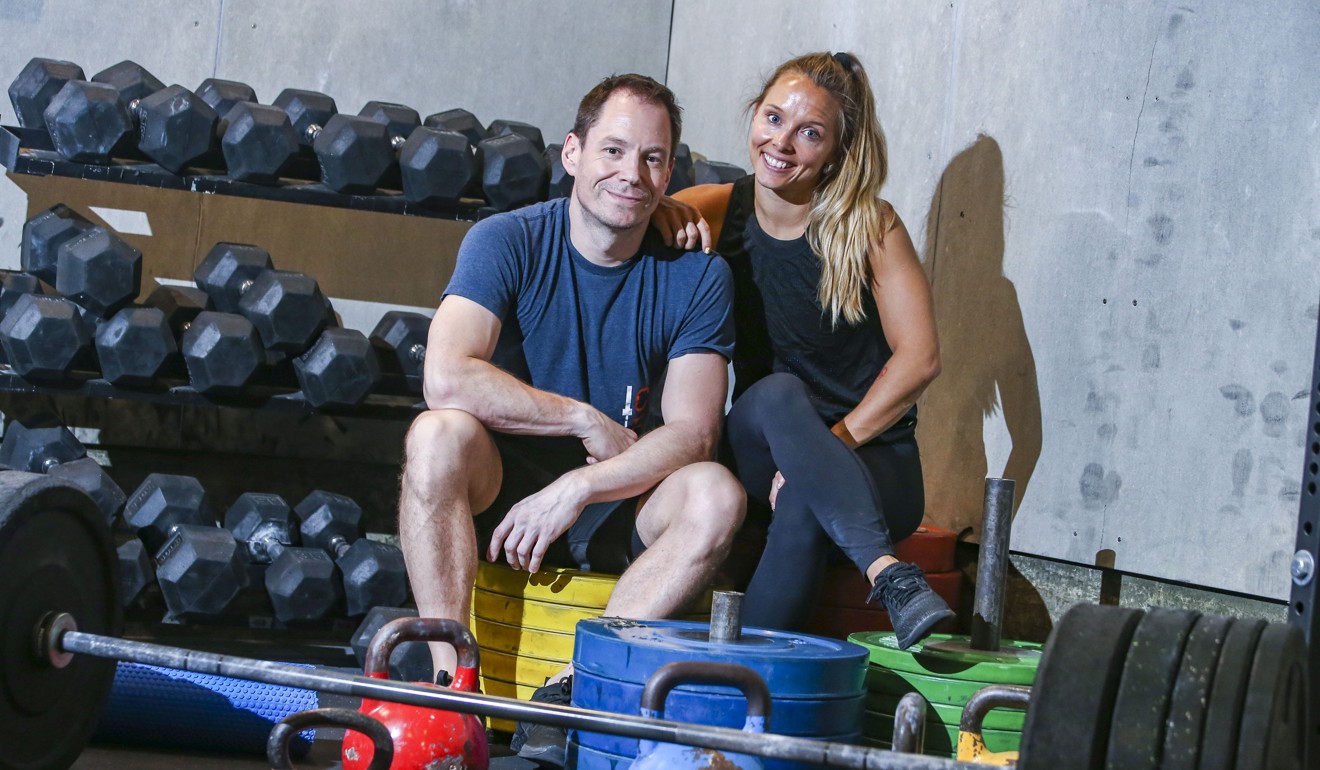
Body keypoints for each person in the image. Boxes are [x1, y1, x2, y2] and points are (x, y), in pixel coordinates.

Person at [398, 74, 744, 765]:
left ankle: (572, 691)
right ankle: (449, 685)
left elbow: (693, 432)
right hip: (503, 496)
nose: (631, 173)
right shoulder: (508, 240)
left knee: (716, 492)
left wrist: (582, 485)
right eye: (613, 151)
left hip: (621, 501)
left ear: (670, 172)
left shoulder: (698, 276)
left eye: (652, 157)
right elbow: (447, 374)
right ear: (573, 154)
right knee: (435, 436)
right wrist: (582, 420)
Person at [652, 51, 952, 649]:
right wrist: (668, 213)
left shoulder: (870, 226)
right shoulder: (717, 207)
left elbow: (920, 358)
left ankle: (737, 687)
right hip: (764, 442)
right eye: (773, 118)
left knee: (804, 506)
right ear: (754, 116)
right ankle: (887, 574)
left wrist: (824, 451)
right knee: (777, 394)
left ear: (837, 152)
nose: (781, 142)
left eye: (809, 132)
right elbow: (638, 215)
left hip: (875, 461)